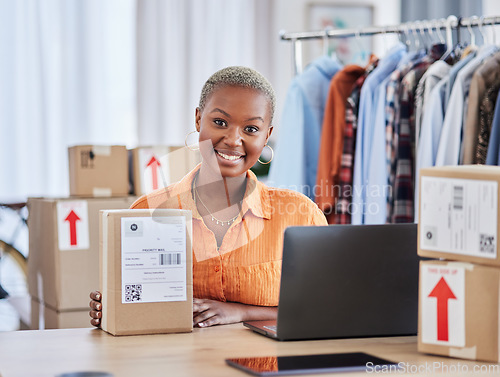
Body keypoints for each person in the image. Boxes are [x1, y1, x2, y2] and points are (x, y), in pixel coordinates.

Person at [89, 66, 327, 328]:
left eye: (250, 129)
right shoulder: (146, 213)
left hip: (268, 367)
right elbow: (131, 310)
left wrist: (241, 312)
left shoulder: (300, 215)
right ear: (198, 119)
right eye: (220, 123)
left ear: (266, 136)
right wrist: (110, 310)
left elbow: (326, 306)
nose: (233, 140)